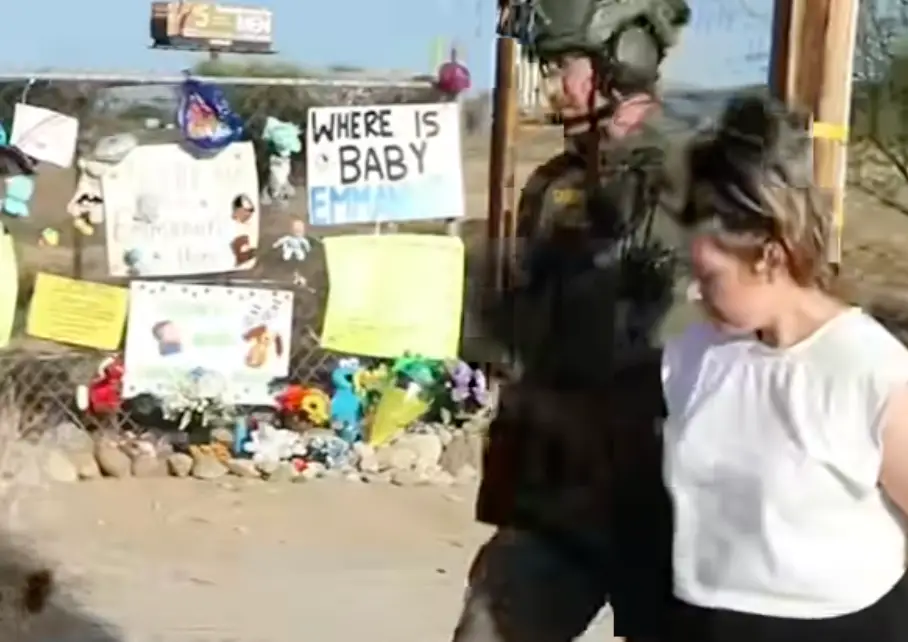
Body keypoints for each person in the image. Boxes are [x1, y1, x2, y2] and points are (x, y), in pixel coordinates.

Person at [453, 0, 695, 640]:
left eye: (563, 66)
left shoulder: (699, 182)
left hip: (672, 501)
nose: (551, 86)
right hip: (559, 495)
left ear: (627, 60)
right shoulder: (551, 186)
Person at [662, 94, 908, 642]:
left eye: (711, 276)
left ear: (771, 256)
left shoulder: (869, 370)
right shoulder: (691, 356)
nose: (692, 292)